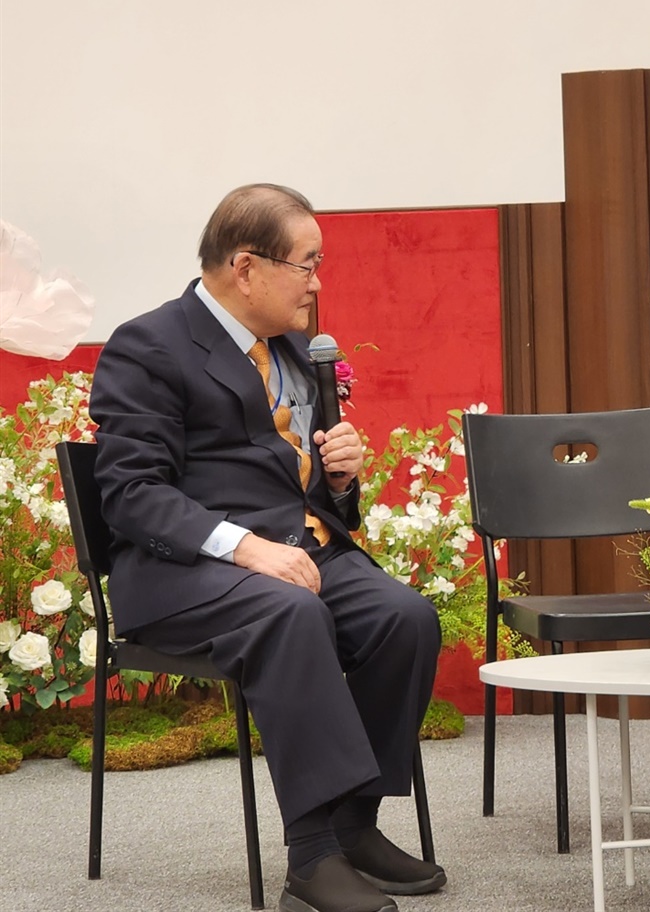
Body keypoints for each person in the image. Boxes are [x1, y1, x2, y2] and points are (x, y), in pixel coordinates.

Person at [89, 184, 445, 912]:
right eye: (306, 264)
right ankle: (311, 860)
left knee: (403, 618)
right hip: (185, 569)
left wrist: (340, 476)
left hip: (298, 552)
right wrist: (245, 547)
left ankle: (354, 824)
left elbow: (307, 488)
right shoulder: (149, 345)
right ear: (245, 267)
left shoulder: (292, 350)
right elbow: (129, 493)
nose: (318, 283)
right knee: (291, 613)